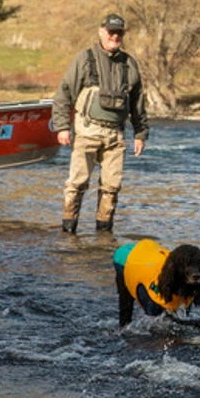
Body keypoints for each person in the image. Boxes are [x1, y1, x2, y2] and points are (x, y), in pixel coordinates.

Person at [52, 13, 149, 233]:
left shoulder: (129, 64)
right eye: (111, 32)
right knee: (77, 184)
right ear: (101, 32)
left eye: (119, 33)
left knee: (111, 187)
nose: (115, 36)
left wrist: (141, 133)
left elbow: (138, 103)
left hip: (116, 136)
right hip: (86, 132)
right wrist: (62, 127)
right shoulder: (85, 59)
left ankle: (104, 235)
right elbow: (63, 94)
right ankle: (68, 230)